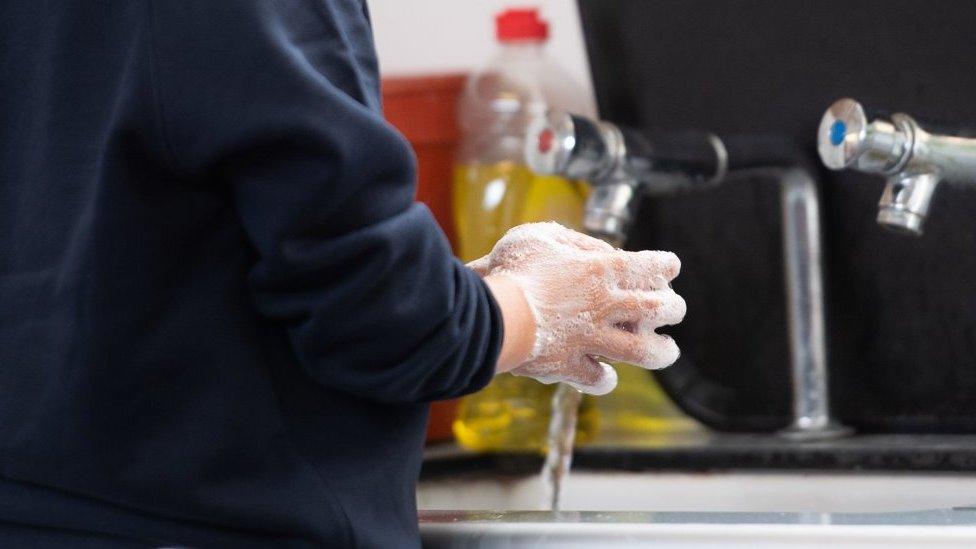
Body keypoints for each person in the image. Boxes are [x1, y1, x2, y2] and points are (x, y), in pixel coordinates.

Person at [0, 1, 685, 547]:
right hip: (217, 521)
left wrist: (457, 299)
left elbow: (140, 260)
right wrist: (531, 309)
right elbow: (375, 313)